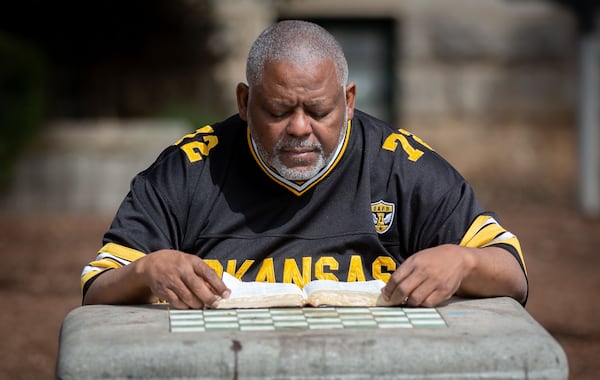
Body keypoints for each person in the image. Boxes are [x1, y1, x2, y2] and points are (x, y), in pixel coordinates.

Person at [81, 20, 528, 310]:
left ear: (349, 101)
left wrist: (460, 261)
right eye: (277, 111)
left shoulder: (398, 163)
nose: (299, 128)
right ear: (244, 101)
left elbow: (512, 275)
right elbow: (97, 288)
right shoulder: (191, 168)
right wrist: (146, 270)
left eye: (319, 112)